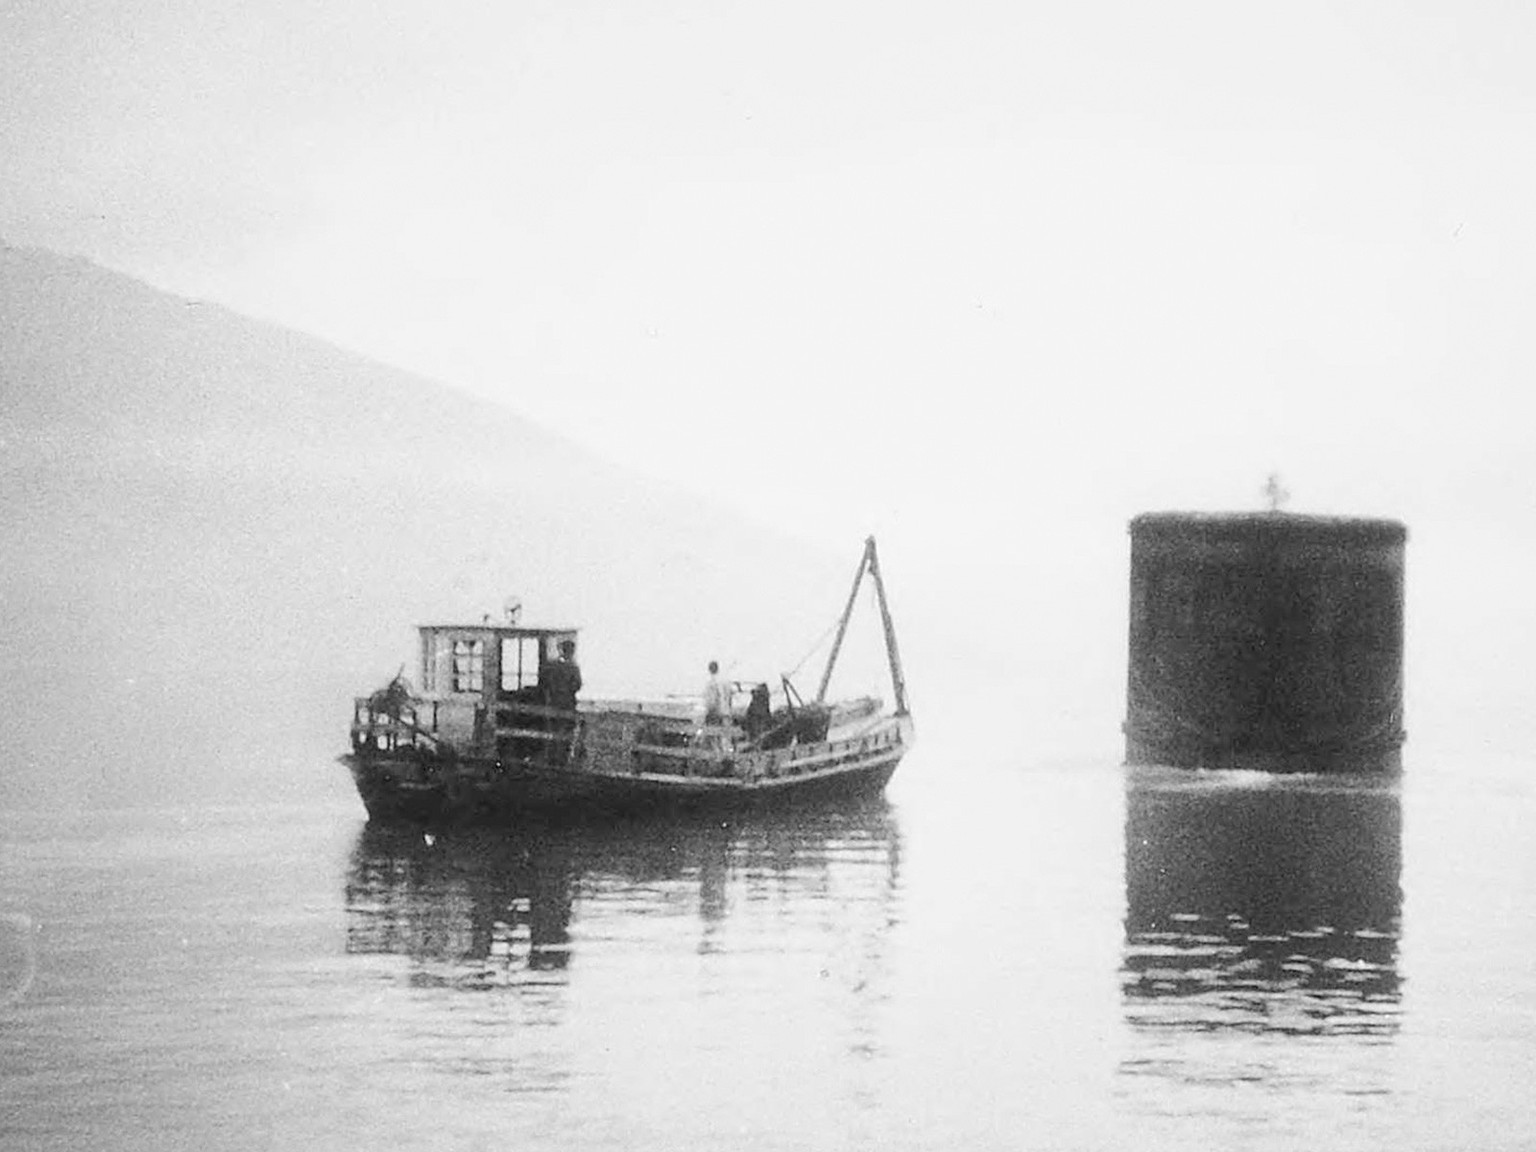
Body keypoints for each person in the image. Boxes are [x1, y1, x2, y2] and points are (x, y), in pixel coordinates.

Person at [544, 639, 582, 712]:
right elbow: (577, 684)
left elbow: (549, 683)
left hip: (556, 701)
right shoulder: (573, 667)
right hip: (566, 702)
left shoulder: (553, 665)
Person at [702, 660, 733, 727]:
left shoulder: (711, 683)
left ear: (710, 670)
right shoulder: (726, 681)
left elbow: (712, 700)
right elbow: (730, 697)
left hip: (716, 713)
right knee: (726, 733)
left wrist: (708, 711)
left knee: (714, 733)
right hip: (726, 712)